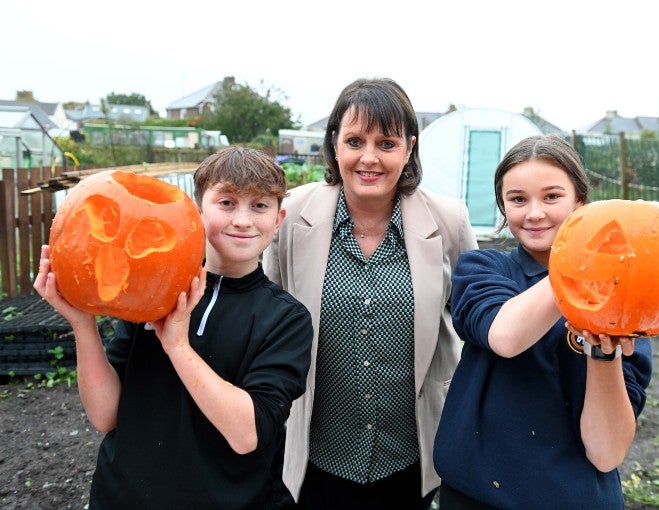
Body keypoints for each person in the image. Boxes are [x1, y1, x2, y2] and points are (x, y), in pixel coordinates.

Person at [33, 146, 313, 509]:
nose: (242, 220)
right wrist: (82, 323)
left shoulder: (285, 318)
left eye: (259, 206)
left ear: (278, 220)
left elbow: (248, 434)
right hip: (122, 498)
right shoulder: (152, 288)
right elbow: (105, 416)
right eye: (226, 203)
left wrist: (177, 346)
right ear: (196, 213)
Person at [262, 77, 478, 509]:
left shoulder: (449, 222)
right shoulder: (291, 218)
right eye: (355, 140)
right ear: (335, 145)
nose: (369, 158)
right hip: (317, 459)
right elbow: (266, 314)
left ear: (409, 148)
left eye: (386, 143)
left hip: (412, 459)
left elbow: (475, 325)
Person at [433, 134, 653, 509]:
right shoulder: (483, 269)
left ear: (581, 202)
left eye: (552, 196)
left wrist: (604, 355)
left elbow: (606, 452)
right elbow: (505, 336)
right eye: (518, 199)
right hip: (474, 498)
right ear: (503, 207)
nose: (534, 213)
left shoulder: (623, 298)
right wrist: (579, 267)